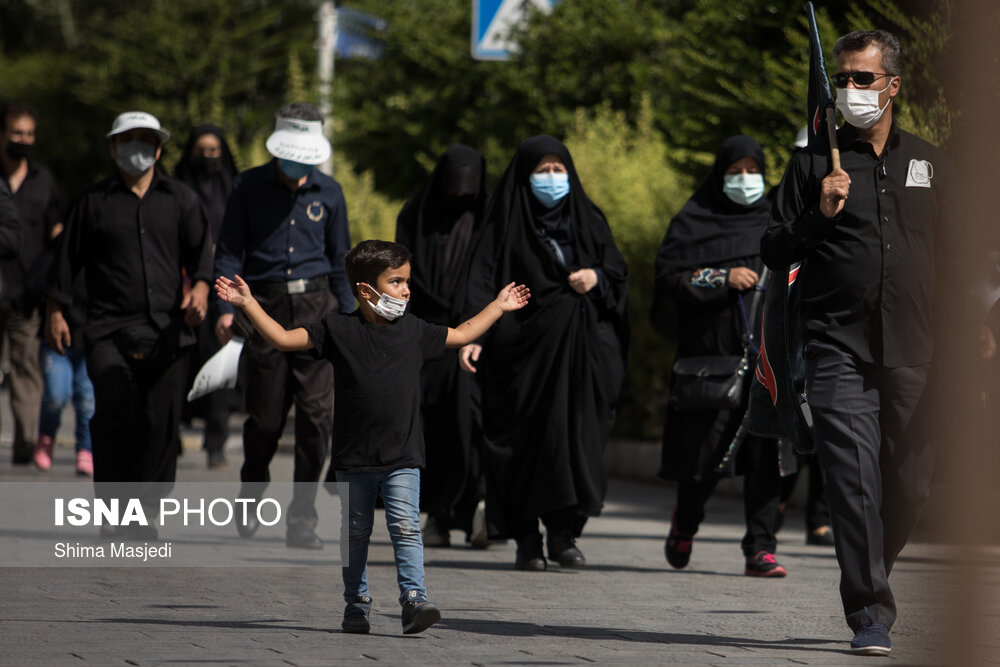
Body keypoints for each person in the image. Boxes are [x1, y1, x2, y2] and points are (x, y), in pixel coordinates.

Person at [761, 30, 965, 656]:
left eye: (863, 79)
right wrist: (815, 216)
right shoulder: (811, 165)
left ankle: (873, 562)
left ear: (893, 86)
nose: (850, 90)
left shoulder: (932, 164)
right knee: (851, 480)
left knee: (910, 483)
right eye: (842, 79)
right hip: (835, 346)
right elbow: (771, 248)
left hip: (918, 350)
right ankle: (869, 609)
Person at [214, 239, 530, 634]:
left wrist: (498, 306)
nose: (406, 290)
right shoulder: (338, 329)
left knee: (406, 526)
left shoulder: (414, 330)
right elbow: (282, 338)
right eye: (396, 282)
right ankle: (356, 603)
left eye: (407, 281)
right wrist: (247, 303)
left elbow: (462, 334)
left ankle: (414, 600)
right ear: (366, 290)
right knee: (356, 532)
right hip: (354, 457)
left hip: (404, 455)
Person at [460, 135, 629, 571]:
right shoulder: (503, 223)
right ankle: (525, 539)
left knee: (577, 441)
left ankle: (564, 533)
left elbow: (617, 272)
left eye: (559, 170)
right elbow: (480, 280)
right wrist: (473, 335)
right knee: (520, 443)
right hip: (518, 353)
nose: (552, 178)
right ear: (524, 175)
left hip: (581, 353)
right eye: (542, 170)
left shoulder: (588, 218)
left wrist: (596, 276)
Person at [46, 111, 212, 512]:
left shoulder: (181, 199)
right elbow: (65, 262)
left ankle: (149, 509)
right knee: (113, 420)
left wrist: (202, 290)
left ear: (158, 149)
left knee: (161, 424)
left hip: (168, 330)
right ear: (113, 147)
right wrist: (55, 311)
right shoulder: (91, 202)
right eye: (128, 139)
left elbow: (204, 255)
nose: (137, 147)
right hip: (107, 330)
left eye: (146, 139)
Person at [213, 102, 354, 549]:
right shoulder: (248, 186)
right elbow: (229, 250)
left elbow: (339, 261)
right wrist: (226, 310)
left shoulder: (330, 193)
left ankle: (302, 519)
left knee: (317, 419)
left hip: (318, 308)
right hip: (262, 306)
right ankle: (252, 491)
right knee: (266, 418)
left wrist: (352, 319)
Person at [654, 134, 793, 578]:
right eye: (735, 172)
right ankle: (685, 523)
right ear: (720, 176)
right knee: (703, 458)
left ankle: (761, 548)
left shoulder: (777, 219)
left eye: (753, 171)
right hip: (711, 358)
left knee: (766, 457)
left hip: (768, 359)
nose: (745, 180)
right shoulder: (694, 220)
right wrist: (719, 277)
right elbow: (668, 278)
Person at [395, 143, 489, 548]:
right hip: (425, 335)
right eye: (453, 194)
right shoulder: (416, 215)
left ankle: (478, 512)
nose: (459, 203)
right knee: (430, 428)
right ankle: (436, 515)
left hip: (477, 339)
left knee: (471, 427)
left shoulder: (491, 219)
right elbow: (399, 276)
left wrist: (481, 328)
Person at [174, 124, 240, 469]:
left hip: (226, 290)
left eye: (215, 150)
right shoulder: (176, 187)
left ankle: (216, 443)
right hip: (182, 287)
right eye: (201, 150)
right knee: (178, 363)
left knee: (222, 366)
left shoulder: (236, 188)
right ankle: (171, 436)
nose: (208, 157)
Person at [0, 102, 60, 466]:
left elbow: (57, 225)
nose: (23, 140)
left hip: (26, 291)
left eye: (29, 134)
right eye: (16, 133)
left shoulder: (43, 180)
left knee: (26, 368)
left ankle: (24, 441)